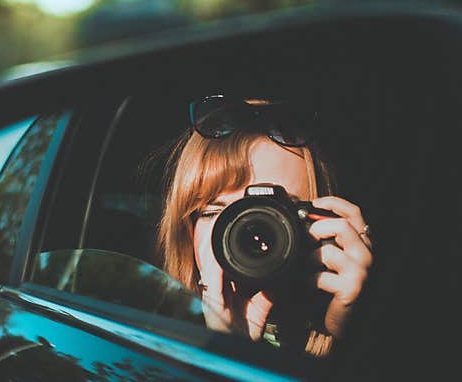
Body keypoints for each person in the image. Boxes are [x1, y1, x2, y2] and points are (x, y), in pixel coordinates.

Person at [157, 95, 373, 356]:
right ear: (185, 233)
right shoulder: (156, 339)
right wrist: (225, 348)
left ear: (327, 222)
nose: (250, 230)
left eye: (279, 210)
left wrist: (356, 328)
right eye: (215, 210)